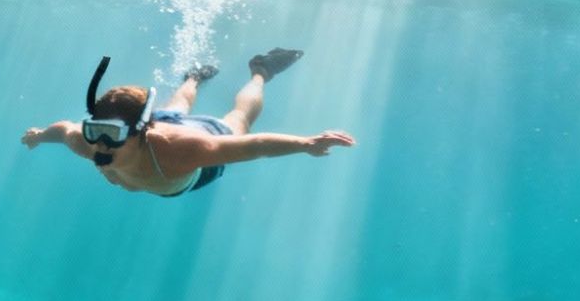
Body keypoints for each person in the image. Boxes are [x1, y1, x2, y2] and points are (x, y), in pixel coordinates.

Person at [21, 48, 354, 197]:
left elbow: (255, 145)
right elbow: (65, 129)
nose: (102, 145)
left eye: (114, 135)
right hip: (160, 126)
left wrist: (306, 144)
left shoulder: (183, 151)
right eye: (97, 131)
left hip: (189, 155)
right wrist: (39, 136)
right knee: (174, 107)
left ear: (140, 133)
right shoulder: (88, 142)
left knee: (238, 120)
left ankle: (262, 70)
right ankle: (194, 77)